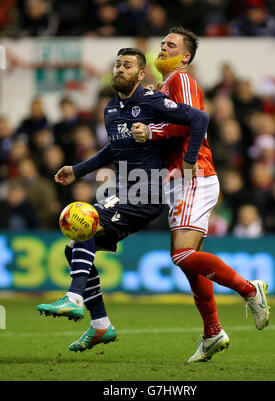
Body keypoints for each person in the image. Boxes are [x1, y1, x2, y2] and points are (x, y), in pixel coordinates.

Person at [36, 47, 210, 353]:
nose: (120, 69)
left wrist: (190, 159)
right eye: (117, 64)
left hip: (147, 192)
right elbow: (113, 150)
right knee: (74, 245)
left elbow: (198, 118)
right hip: (124, 191)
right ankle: (101, 325)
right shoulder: (111, 109)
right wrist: (77, 170)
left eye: (127, 65)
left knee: (85, 221)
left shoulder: (152, 101)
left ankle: (75, 298)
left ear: (141, 74)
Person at [131, 26, 270, 363]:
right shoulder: (165, 86)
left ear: (186, 56)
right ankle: (212, 332)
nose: (163, 48)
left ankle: (251, 290)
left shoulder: (182, 80)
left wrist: (152, 129)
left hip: (194, 174)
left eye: (171, 45)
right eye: (162, 43)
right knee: (190, 263)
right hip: (179, 178)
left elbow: (194, 122)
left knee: (181, 256)